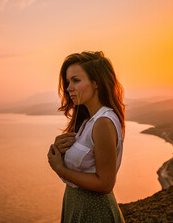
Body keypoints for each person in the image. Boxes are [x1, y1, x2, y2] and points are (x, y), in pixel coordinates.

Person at [47, 51, 125, 223]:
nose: (68, 88)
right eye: (68, 82)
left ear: (96, 83)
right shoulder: (88, 121)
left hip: (94, 212)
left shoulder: (103, 122)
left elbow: (105, 183)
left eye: (76, 80)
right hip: (77, 206)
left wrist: (60, 168)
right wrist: (60, 150)